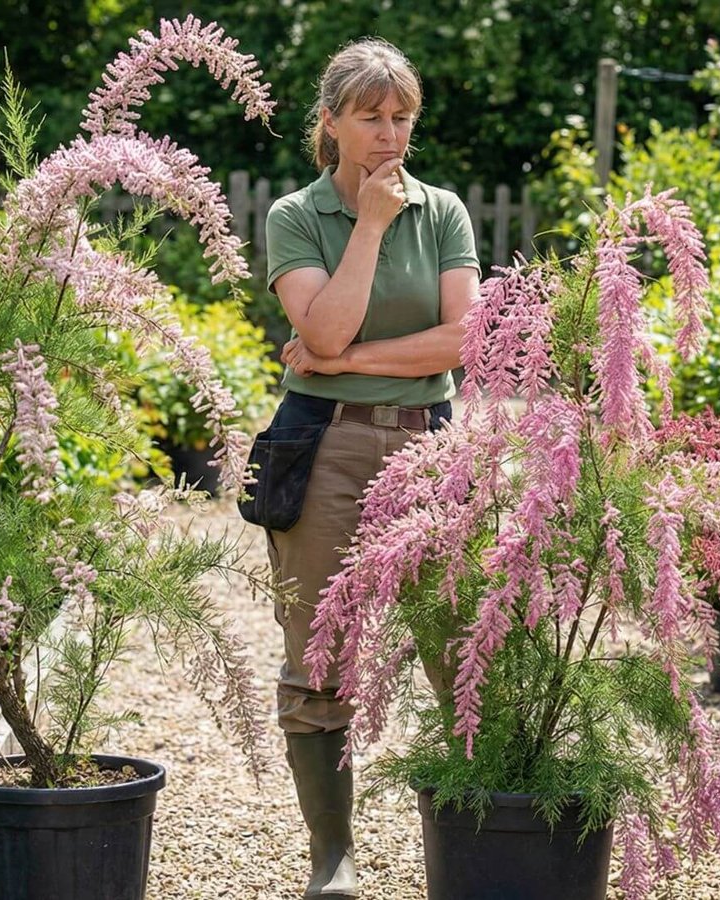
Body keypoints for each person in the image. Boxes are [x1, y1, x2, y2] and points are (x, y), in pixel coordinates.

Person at [254, 37, 480, 900]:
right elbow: (321, 328)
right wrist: (374, 225)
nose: (390, 135)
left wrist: (344, 358)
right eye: (371, 117)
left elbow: (463, 340)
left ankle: (478, 835)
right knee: (320, 652)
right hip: (327, 447)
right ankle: (333, 857)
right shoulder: (296, 216)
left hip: (431, 444)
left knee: (459, 640)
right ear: (332, 123)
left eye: (402, 117)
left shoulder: (445, 212)